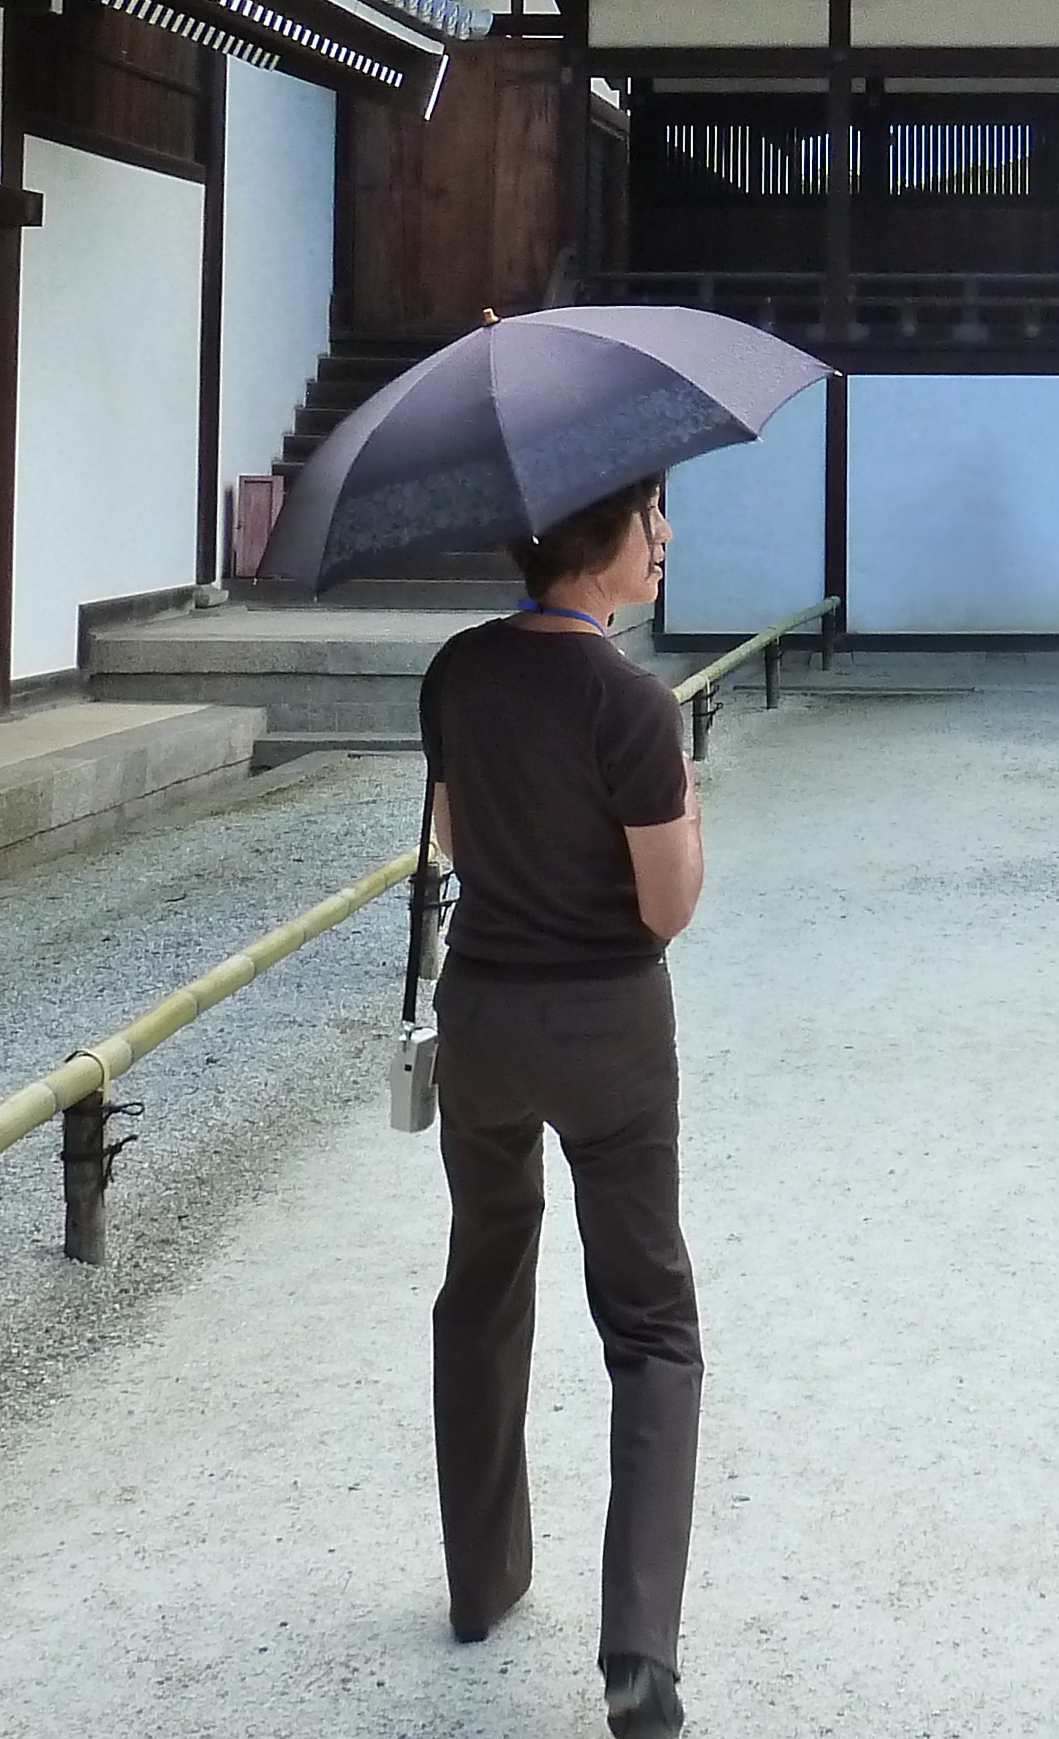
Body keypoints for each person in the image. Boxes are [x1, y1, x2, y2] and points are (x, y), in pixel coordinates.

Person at [421, 472, 704, 1739]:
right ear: (610, 542)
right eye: (655, 519)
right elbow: (666, 906)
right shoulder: (633, 703)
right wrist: (686, 802)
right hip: (605, 1028)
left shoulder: (458, 672)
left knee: (483, 1284)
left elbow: (449, 836)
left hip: (484, 1012)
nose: (667, 541)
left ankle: (480, 1583)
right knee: (649, 1325)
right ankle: (636, 1647)